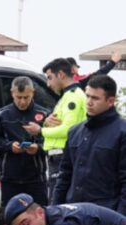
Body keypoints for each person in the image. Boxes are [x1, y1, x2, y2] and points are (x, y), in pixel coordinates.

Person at [53, 75, 125, 214]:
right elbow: (64, 176)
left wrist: (120, 222)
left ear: (110, 101)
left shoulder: (122, 133)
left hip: (106, 216)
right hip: (73, 212)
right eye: (87, 96)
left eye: (95, 98)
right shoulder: (75, 132)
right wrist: (54, 211)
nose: (89, 102)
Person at [26, 58, 87, 200]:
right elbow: (58, 122)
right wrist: (46, 123)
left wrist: (40, 130)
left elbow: (68, 129)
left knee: (57, 202)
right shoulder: (66, 96)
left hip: (62, 155)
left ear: (61, 74)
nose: (48, 84)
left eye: (50, 78)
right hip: (58, 155)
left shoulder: (72, 97)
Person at [0, 76, 50, 205]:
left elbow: (52, 143)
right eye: (19, 97)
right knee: (10, 220)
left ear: (33, 93)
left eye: (26, 97)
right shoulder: (2, 114)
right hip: (10, 179)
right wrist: (9, 146)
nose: (22, 102)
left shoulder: (44, 114)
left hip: (36, 180)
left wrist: (38, 148)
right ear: (12, 93)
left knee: (39, 216)